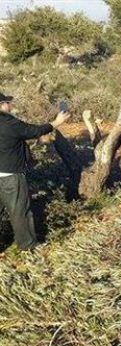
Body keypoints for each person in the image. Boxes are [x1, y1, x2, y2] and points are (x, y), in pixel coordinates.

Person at [0, 92, 70, 250]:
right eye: (7, 103)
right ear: (2, 104)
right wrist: (56, 123)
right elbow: (33, 131)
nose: (10, 106)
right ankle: (28, 245)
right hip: (10, 175)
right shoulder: (8, 122)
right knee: (20, 212)